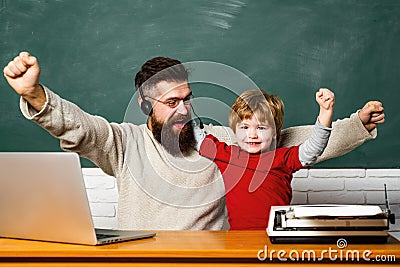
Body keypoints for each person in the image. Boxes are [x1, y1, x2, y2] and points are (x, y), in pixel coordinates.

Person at [3, 52, 385, 230]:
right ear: (144, 104)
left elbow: (290, 142)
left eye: (187, 99)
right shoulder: (123, 142)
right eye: (171, 102)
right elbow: (82, 127)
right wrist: (37, 97)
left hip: (215, 258)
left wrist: (355, 124)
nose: (184, 110)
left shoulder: (220, 140)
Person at [195, 88, 334, 229]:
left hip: (277, 238)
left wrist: (325, 112)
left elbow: (313, 149)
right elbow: (197, 138)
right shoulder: (227, 155)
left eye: (261, 128)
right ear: (235, 131)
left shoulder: (282, 158)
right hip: (238, 241)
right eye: (244, 127)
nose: (252, 135)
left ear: (274, 133)